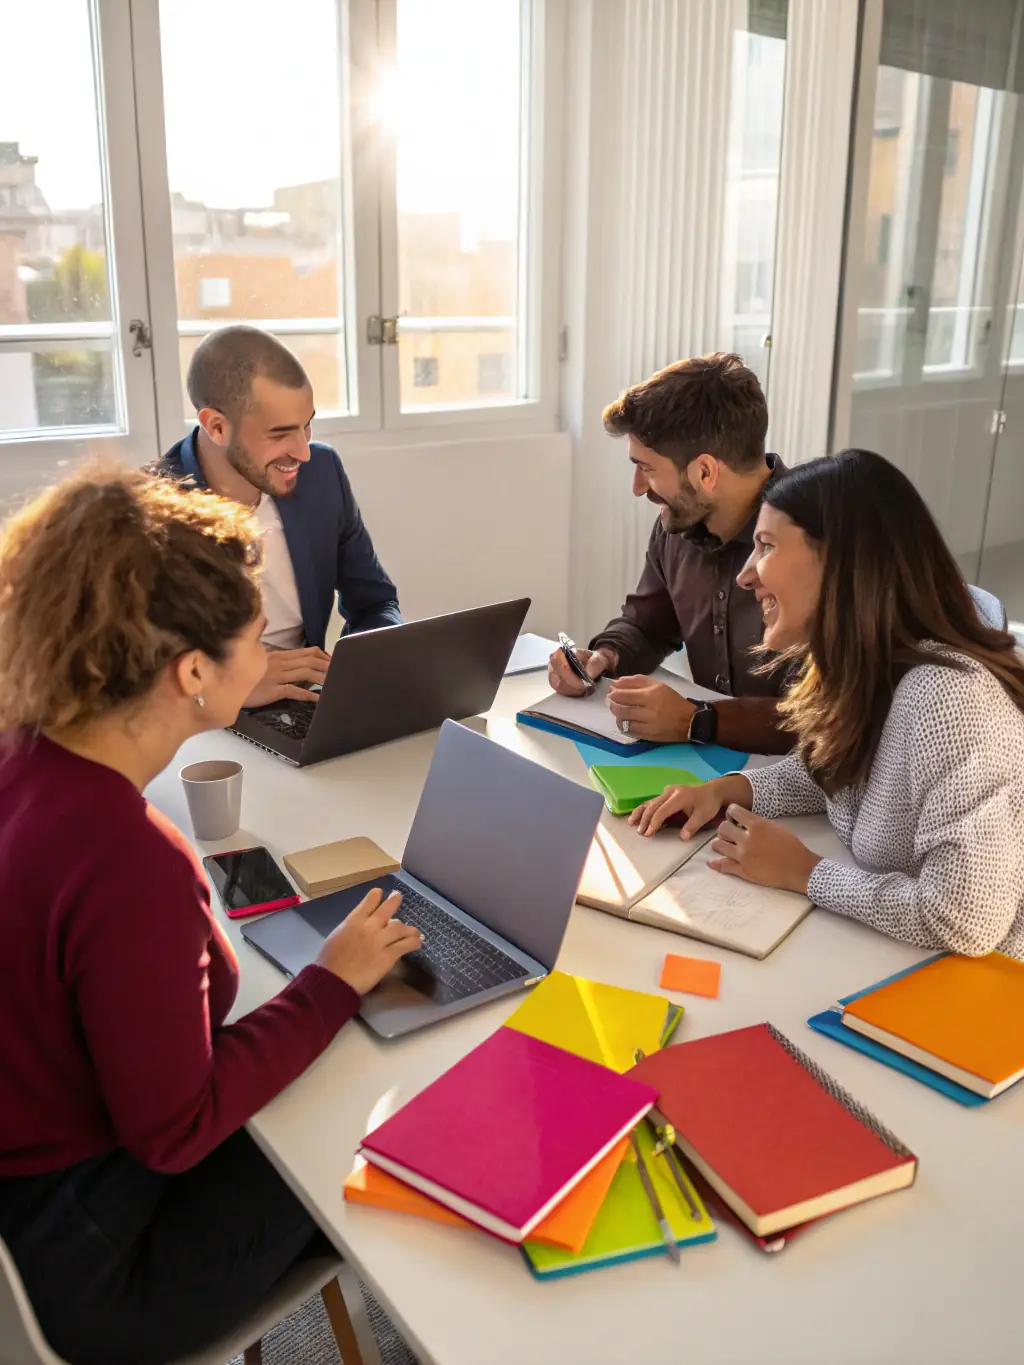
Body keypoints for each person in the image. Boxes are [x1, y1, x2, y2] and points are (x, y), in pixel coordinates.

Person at [0, 467, 423, 1365]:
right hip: (102, 1265)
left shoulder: (23, 759)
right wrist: (331, 981)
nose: (267, 655)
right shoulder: (124, 852)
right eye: (255, 637)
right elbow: (175, 1129)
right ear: (192, 670)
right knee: (392, 1112)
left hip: (33, 1209)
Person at [631, 449, 1024, 959]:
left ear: (840, 563)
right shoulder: (857, 665)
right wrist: (729, 790)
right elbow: (834, 770)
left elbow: (965, 919)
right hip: (893, 955)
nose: (746, 576)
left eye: (766, 547)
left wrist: (806, 873)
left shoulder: (945, 700)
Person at [548, 352, 792, 754]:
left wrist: (693, 719)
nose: (638, 488)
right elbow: (647, 626)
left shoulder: (813, 541)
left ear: (705, 473)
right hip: (711, 772)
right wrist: (604, 657)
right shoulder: (676, 527)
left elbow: (824, 713)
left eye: (647, 468)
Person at [156, 325, 401, 709]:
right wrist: (225, 686)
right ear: (216, 426)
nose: (303, 452)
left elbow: (374, 601)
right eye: (280, 434)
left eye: (306, 426)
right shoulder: (149, 510)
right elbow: (128, 673)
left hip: (301, 705)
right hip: (198, 724)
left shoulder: (322, 472)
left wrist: (361, 671)